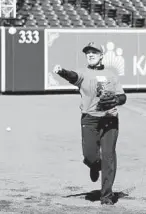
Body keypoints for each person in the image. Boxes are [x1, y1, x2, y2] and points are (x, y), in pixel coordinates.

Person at [53, 42, 127, 205]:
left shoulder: (111, 74)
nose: (90, 54)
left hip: (110, 120)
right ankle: (94, 166)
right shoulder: (83, 73)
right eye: (88, 53)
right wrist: (62, 71)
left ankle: (106, 196)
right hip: (90, 119)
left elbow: (122, 97)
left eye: (94, 52)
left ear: (101, 55)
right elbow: (73, 76)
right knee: (89, 156)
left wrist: (116, 100)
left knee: (108, 156)